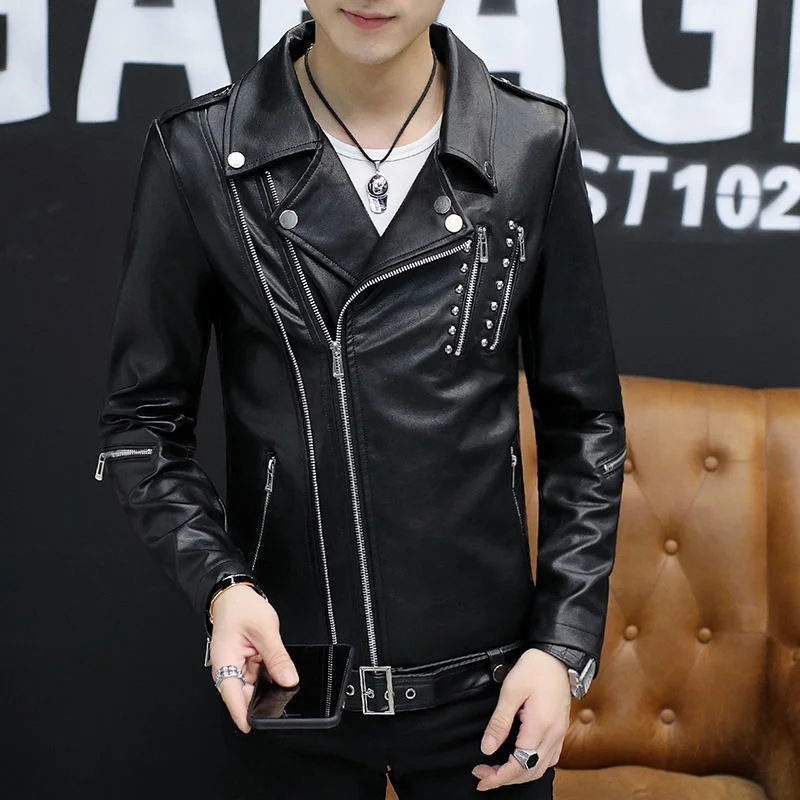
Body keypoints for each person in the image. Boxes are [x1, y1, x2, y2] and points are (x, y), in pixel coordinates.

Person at [95, 2, 626, 797]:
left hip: (487, 693)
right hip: (287, 680)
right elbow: (141, 428)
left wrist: (560, 646)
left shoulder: (530, 142)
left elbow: (585, 422)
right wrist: (222, 587)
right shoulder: (200, 151)